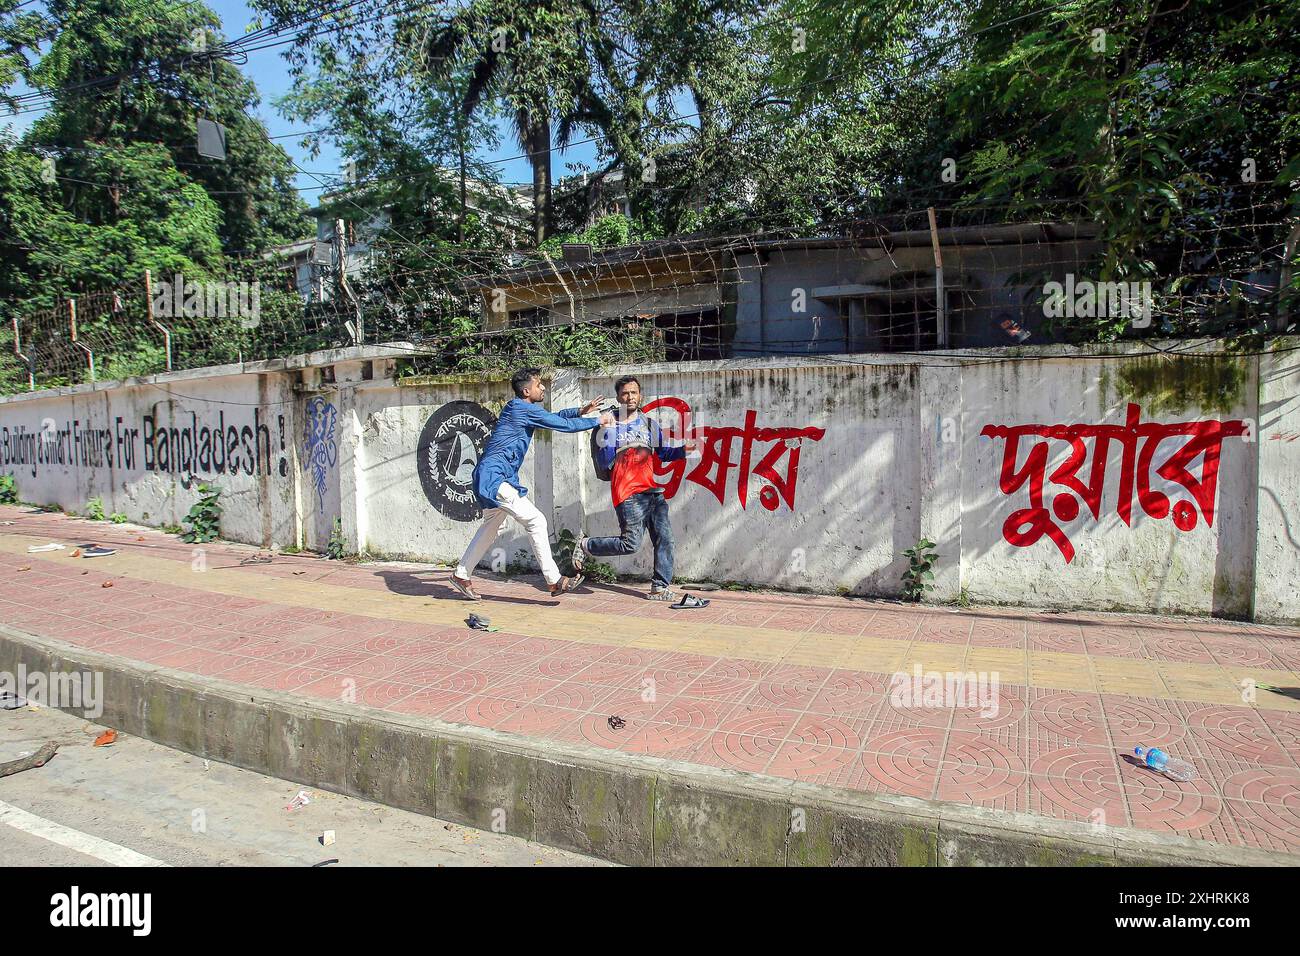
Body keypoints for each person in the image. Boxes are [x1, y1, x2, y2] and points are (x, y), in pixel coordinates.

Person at [450, 368, 611, 600]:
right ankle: (554, 581)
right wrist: (598, 419)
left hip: (494, 477)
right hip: (494, 478)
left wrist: (580, 411)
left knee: (491, 527)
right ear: (527, 390)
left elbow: (554, 418)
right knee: (536, 520)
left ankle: (461, 574)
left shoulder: (522, 409)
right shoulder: (521, 409)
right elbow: (560, 424)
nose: (543, 387)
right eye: (538, 385)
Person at [573, 375, 697, 601]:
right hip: (627, 492)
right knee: (630, 544)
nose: (630, 397)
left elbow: (664, 453)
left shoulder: (649, 424)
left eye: (634, 392)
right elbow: (604, 462)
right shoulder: (608, 424)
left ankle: (659, 587)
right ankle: (586, 544)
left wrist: (682, 450)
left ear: (640, 396)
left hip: (652, 491)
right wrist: (609, 432)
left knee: (665, 539)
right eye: (625, 393)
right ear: (618, 397)